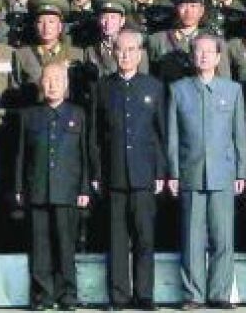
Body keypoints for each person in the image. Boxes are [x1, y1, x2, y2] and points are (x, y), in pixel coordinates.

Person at [166, 34, 246, 309]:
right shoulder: (178, 90)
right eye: (198, 51)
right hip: (191, 172)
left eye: (209, 52)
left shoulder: (232, 90)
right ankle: (193, 294)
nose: (203, 56)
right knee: (192, 238)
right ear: (192, 56)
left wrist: (241, 172)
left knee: (223, 237)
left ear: (218, 57)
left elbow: (239, 135)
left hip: (223, 173)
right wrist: (174, 173)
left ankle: (220, 293)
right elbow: (173, 136)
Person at [91, 29, 166, 311]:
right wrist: (96, 173)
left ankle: (144, 295)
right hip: (114, 174)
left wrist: (161, 172)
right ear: (113, 52)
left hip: (144, 175)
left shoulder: (153, 87)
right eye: (120, 50)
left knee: (145, 238)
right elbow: (95, 136)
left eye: (131, 49)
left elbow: (161, 134)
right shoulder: (102, 88)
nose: (125, 55)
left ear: (140, 53)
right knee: (117, 238)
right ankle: (119, 296)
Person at [15, 62, 91, 312]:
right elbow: (20, 155)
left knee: (66, 246)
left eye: (58, 80)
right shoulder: (29, 115)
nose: (52, 85)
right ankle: (42, 296)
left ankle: (67, 295)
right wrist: (19, 187)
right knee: (40, 246)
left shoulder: (78, 114)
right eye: (47, 80)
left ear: (66, 84)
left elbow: (85, 154)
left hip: (67, 191)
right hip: (37, 189)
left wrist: (84, 189)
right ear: (40, 83)